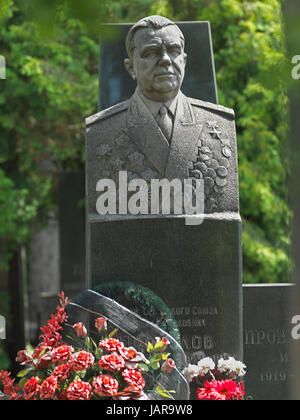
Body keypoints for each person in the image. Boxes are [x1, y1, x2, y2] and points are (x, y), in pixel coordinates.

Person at [86, 15, 238, 213]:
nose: (165, 60)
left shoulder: (220, 125)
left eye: (173, 51)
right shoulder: (101, 131)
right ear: (130, 67)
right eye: (151, 52)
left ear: (183, 61)